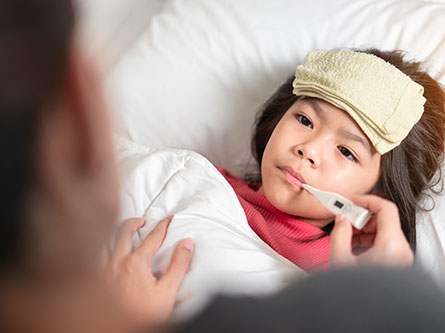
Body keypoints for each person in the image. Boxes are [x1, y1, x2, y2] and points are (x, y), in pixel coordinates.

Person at [0, 0, 444, 332]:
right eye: (305, 119)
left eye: (347, 152)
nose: (309, 148)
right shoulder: (195, 179)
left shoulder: (345, 285)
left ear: (378, 195)